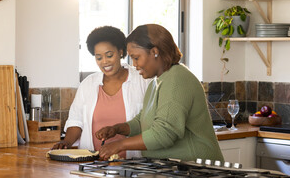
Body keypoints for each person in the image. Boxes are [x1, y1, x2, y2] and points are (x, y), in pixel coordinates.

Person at [96, 24, 224, 162]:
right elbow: (142, 122)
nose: (134, 64)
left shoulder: (177, 79)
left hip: (198, 169)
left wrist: (119, 145)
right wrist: (116, 129)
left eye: (136, 57)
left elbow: (163, 134)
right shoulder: (156, 82)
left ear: (154, 52)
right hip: (177, 168)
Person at [52, 26, 150, 159]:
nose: (104, 61)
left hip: (133, 163)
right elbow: (76, 121)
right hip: (92, 163)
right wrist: (66, 143)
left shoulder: (142, 80)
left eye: (109, 55)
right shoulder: (88, 84)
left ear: (121, 52)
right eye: (99, 57)